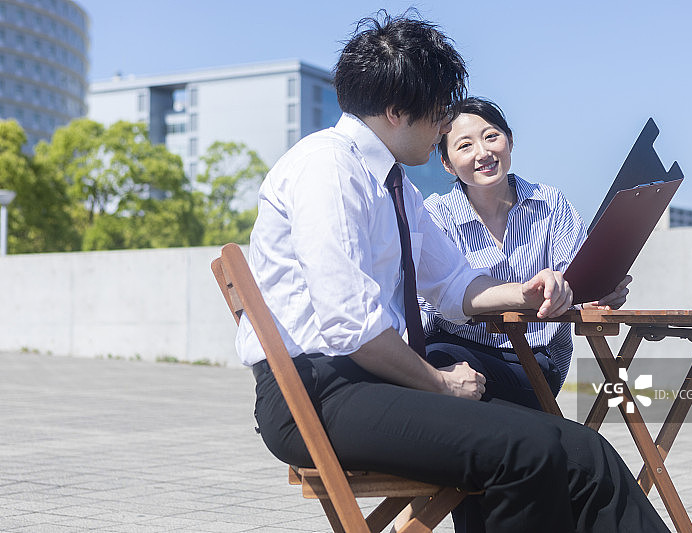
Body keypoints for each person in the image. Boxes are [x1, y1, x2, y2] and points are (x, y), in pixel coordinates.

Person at [235, 11, 669, 532]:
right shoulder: (327, 170)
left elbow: (457, 286)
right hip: (317, 396)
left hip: (366, 384)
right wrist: (438, 383)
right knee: (528, 453)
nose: (445, 125)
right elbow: (352, 325)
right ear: (397, 111)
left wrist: (529, 294)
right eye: (440, 113)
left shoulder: (396, 187)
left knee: (584, 453)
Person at [419, 97, 633, 530]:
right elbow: (425, 305)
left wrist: (594, 291)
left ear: (510, 142)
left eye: (491, 136)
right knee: (463, 397)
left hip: (536, 361)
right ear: (446, 163)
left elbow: (578, 278)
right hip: (460, 356)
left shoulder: (549, 203)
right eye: (464, 146)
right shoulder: (435, 215)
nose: (482, 152)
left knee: (472, 420)